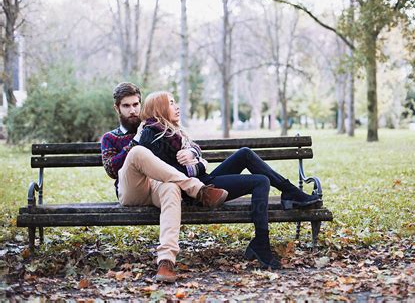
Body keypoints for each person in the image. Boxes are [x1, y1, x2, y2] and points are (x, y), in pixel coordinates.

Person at [138, 91, 322, 269]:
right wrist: (198, 163)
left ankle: (288, 192)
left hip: (204, 181)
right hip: (196, 192)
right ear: (159, 108)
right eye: (170, 103)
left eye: (175, 102)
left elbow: (197, 153)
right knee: (261, 181)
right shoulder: (151, 134)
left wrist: (193, 154)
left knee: (245, 153)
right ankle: (262, 243)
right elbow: (169, 172)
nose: (177, 106)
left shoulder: (173, 131)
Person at [100, 82, 229, 283]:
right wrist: (136, 142)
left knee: (171, 187)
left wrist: (192, 152)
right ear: (117, 108)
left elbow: (185, 139)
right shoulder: (110, 138)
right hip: (132, 190)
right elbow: (111, 169)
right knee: (138, 152)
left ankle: (166, 262)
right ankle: (197, 189)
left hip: (158, 185)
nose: (133, 110)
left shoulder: (153, 125)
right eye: (127, 106)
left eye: (136, 104)